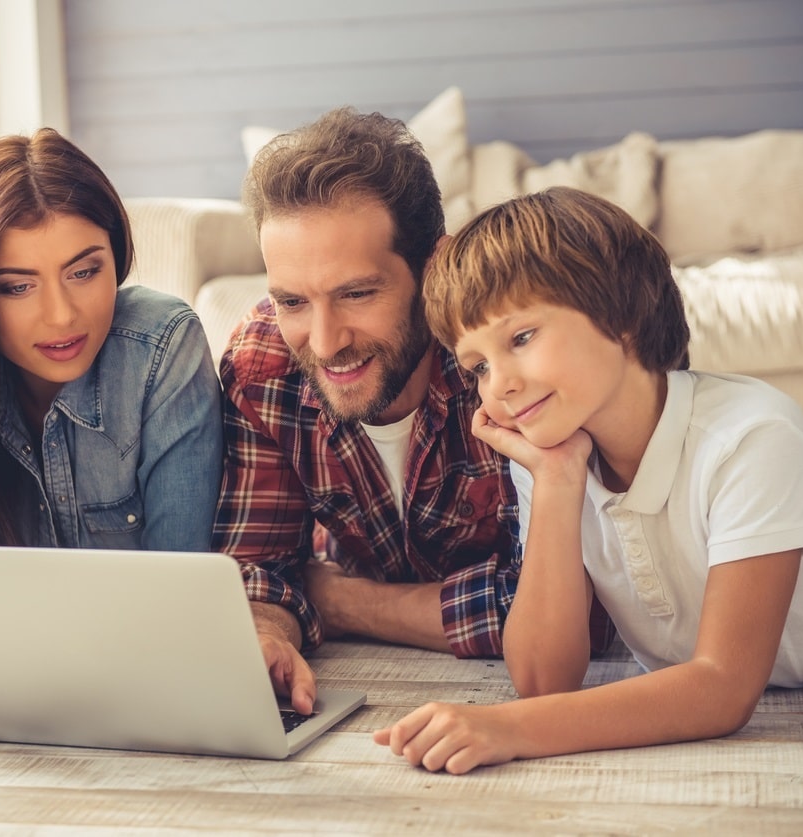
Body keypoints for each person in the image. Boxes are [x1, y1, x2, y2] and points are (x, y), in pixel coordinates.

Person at [377, 186, 803, 774]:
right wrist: (556, 481)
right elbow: (545, 680)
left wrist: (505, 727)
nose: (498, 385)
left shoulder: (751, 439)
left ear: (620, 313)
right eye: (478, 367)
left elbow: (723, 687)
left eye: (521, 338)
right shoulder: (553, 451)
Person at [214, 108, 558, 715]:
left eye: (356, 294)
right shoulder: (262, 367)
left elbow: (566, 608)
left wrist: (344, 602)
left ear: (434, 268)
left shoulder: (508, 366)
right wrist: (266, 636)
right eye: (293, 301)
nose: (324, 343)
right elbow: (260, 568)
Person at [0, 129, 222, 549]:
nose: (62, 315)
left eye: (83, 272)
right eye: (17, 287)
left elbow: (182, 580)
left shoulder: (160, 347)